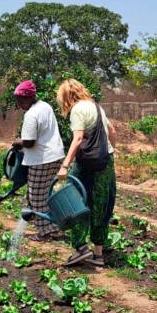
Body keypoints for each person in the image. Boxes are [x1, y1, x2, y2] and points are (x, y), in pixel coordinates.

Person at [55, 79, 117, 267]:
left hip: (85, 165)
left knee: (77, 203)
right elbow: (112, 131)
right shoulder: (97, 107)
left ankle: (80, 249)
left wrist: (65, 165)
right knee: (101, 205)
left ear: (66, 97)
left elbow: (78, 138)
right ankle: (98, 253)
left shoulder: (77, 110)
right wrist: (111, 149)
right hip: (106, 162)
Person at [11, 80, 66, 241]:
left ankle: (47, 231)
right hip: (56, 156)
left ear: (28, 98)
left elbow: (29, 142)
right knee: (47, 193)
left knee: (35, 196)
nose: (19, 103)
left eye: (21, 100)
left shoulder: (31, 115)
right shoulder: (45, 106)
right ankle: (55, 225)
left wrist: (18, 142)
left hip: (41, 159)